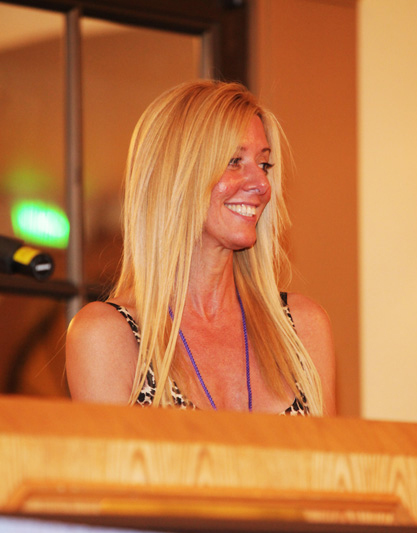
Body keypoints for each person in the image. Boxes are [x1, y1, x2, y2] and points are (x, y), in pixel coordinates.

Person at [66, 80, 336, 416]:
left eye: (264, 164)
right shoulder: (106, 335)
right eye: (234, 161)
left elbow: (332, 452)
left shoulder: (303, 328)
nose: (262, 184)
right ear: (176, 176)